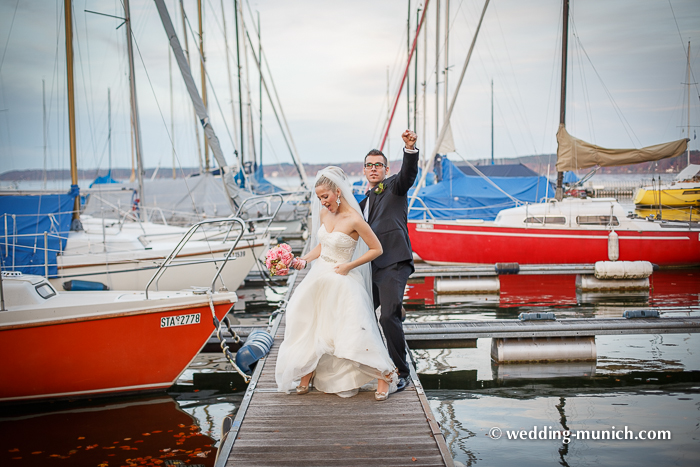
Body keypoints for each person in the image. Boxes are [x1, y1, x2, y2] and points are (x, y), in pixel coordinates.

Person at [275, 166, 398, 401]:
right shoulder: (324, 215)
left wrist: (349, 266)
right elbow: (324, 244)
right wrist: (303, 259)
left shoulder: (354, 218)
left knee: (353, 329)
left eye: (325, 197)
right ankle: (307, 370)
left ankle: (384, 373)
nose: (322, 202)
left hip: (342, 275)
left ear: (338, 192)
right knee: (308, 320)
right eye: (319, 198)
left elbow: (376, 249)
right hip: (319, 275)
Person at [359, 130, 419, 392]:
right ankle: (368, 364)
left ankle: (401, 370)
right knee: (359, 314)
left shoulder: (395, 186)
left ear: (386, 169)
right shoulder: (363, 202)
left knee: (387, 317)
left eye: (378, 165)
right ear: (364, 170)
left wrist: (409, 149)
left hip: (393, 261)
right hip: (370, 267)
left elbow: (408, 174)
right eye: (369, 165)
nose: (374, 169)